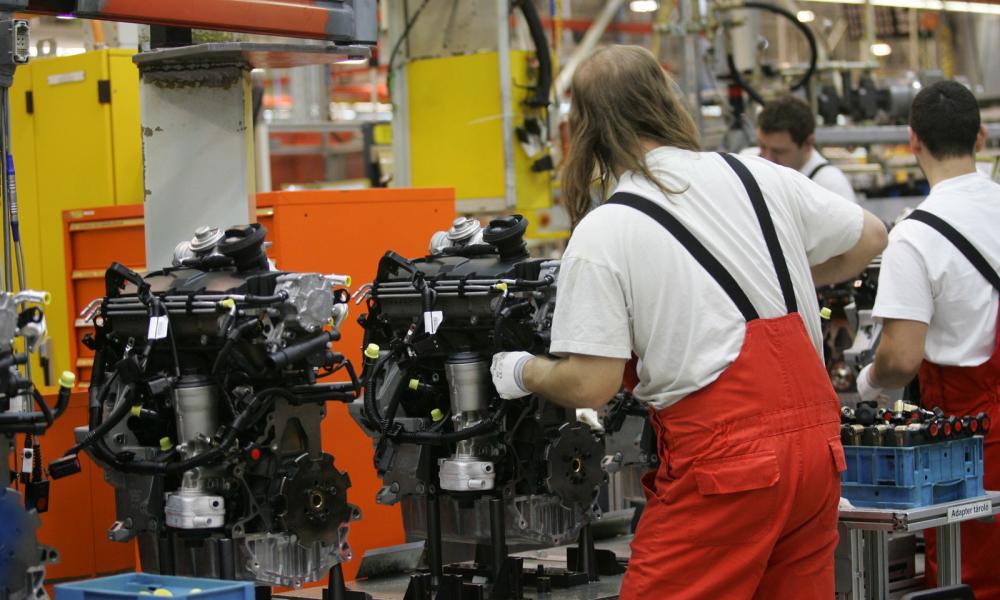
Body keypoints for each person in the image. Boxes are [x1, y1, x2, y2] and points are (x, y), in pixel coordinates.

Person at [490, 45, 886, 598]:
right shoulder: (759, 174)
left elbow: (591, 384)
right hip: (817, 455)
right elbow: (871, 237)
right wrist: (788, 282)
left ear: (585, 129)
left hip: (727, 469)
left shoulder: (608, 228)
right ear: (665, 100)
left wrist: (519, 370)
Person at [857, 81, 999, 598]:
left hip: (973, 445)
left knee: (975, 580)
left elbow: (900, 358)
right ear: (980, 137)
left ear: (913, 140)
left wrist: (868, 384)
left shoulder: (915, 236)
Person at [757, 95, 857, 202]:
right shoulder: (750, 161)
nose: (767, 159)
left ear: (808, 143)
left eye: (779, 151)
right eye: (762, 146)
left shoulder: (831, 187)